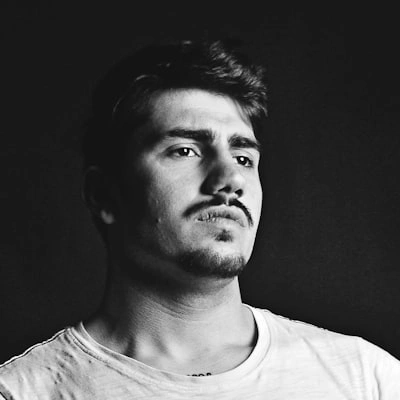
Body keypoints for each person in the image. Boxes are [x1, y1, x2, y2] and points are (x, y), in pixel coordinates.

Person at [0, 39, 399, 399]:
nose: (230, 179)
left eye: (243, 157)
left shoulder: (368, 379)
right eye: (185, 151)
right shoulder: (24, 391)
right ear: (104, 194)